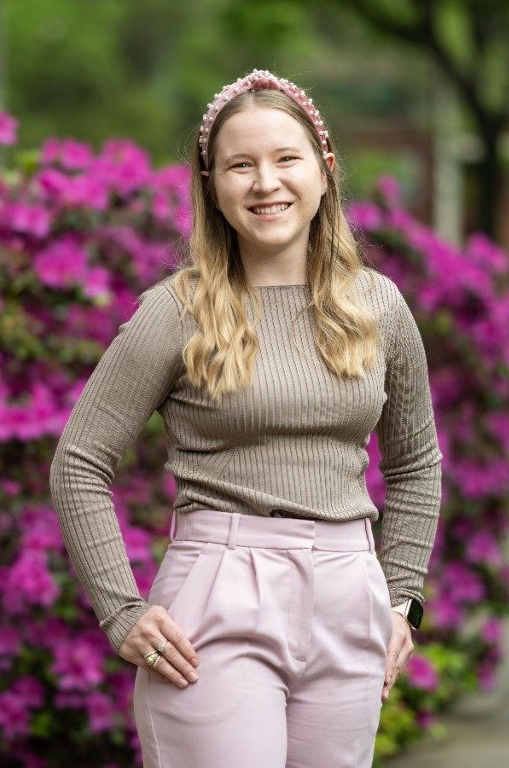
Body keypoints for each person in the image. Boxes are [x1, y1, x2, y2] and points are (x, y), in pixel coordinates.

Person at [48, 69, 443, 767]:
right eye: (240, 165)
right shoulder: (176, 310)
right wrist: (121, 608)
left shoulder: (379, 307)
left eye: (285, 159)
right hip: (218, 601)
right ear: (212, 186)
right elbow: (79, 460)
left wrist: (402, 595)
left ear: (324, 173)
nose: (266, 182)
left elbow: (415, 464)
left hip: (349, 595)